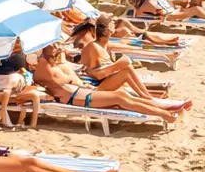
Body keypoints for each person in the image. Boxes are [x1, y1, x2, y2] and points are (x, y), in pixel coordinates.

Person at [32, 43, 189, 122]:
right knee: (120, 98)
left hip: (80, 92)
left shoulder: (53, 64)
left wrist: (59, 57)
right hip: (75, 98)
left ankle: (164, 109)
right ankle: (164, 114)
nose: (58, 47)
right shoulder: (43, 66)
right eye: (54, 45)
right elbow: (51, 80)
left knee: (121, 94)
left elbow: (61, 75)